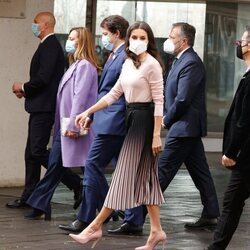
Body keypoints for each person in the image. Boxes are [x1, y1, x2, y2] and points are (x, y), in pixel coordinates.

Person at [111, 22, 220, 234]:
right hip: (186, 129)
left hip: (183, 128)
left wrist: (166, 120)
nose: (168, 41)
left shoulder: (191, 63)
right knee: (200, 172)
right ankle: (211, 213)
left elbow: (183, 99)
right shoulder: (180, 60)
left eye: (172, 37)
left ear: (184, 41)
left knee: (159, 172)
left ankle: (135, 219)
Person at [69, 21, 167, 250]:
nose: (138, 41)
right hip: (131, 118)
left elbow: (160, 102)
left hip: (144, 121)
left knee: (123, 176)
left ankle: (94, 226)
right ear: (129, 39)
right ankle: (156, 231)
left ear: (149, 40)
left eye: (143, 37)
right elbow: (114, 94)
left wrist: (156, 135)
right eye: (135, 37)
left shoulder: (152, 64)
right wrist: (89, 111)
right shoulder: (127, 63)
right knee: (145, 180)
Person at [59, 15, 145, 233]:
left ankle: (89, 217)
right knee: (123, 170)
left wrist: (92, 114)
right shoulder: (114, 55)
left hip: (114, 121)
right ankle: (132, 219)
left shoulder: (126, 56)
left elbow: (119, 92)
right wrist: (92, 114)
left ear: (117, 34)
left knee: (92, 165)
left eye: (106, 34)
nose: (103, 38)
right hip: (109, 119)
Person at [22, 27, 99, 220]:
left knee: (87, 169)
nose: (70, 42)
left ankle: (111, 208)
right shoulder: (75, 65)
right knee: (57, 166)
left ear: (82, 43)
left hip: (75, 127)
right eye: (70, 38)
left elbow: (79, 98)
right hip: (65, 126)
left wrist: (73, 125)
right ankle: (40, 205)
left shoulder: (85, 67)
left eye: (73, 39)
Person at [9, 12, 82, 209]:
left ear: (45, 25)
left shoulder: (50, 46)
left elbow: (43, 78)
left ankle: (76, 183)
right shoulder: (46, 45)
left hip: (44, 109)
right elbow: (44, 83)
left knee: (38, 151)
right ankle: (29, 196)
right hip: (38, 105)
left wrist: (24, 87)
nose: (33, 27)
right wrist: (27, 93)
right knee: (30, 153)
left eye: (35, 23)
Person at [205, 27, 250, 250]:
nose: (239, 47)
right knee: (232, 203)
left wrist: (231, 152)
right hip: (245, 157)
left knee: (232, 204)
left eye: (240, 42)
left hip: (245, 157)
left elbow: (245, 121)